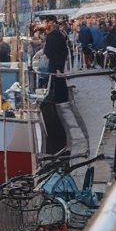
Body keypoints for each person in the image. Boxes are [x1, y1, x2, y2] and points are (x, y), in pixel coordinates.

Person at [41, 16, 70, 155]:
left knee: (55, 83)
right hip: (59, 64)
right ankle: (61, 97)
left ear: (51, 23)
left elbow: (48, 52)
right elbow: (64, 50)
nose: (44, 24)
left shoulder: (53, 36)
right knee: (59, 83)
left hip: (55, 65)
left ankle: (57, 99)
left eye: (46, 22)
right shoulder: (59, 35)